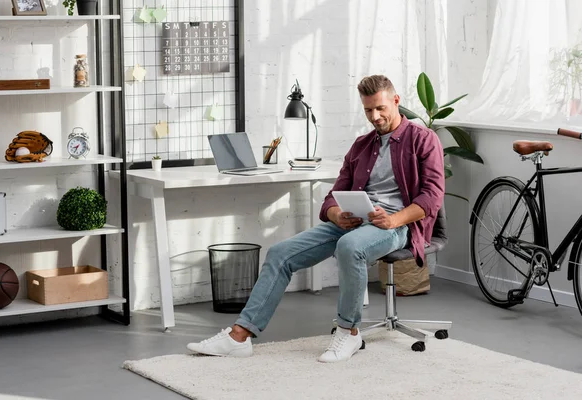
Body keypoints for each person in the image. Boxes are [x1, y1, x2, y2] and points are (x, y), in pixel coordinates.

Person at [187, 74, 445, 363]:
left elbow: (432, 196)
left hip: (397, 225)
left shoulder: (423, 139)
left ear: (396, 101)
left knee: (351, 247)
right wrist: (337, 213)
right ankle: (240, 336)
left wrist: (395, 220)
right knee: (280, 253)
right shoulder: (361, 146)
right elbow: (332, 197)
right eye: (368, 110)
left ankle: (348, 332)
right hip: (357, 222)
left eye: (381, 108)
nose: (375, 116)